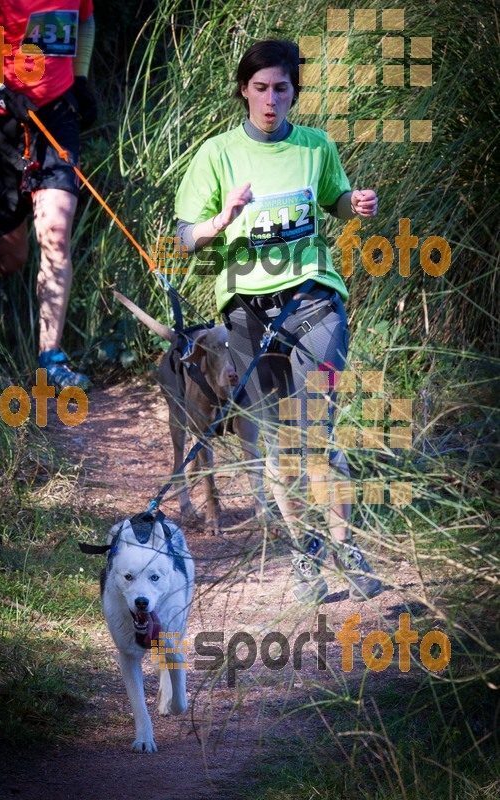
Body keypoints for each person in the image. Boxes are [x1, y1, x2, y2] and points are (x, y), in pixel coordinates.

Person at [175, 39, 382, 603]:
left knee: (318, 429)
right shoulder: (216, 153)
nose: (271, 100)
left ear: (294, 91)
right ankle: (305, 559)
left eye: (281, 89)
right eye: (261, 88)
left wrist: (356, 205)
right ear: (244, 89)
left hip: (315, 301)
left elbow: (337, 200)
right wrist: (222, 219)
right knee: (280, 444)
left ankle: (346, 547)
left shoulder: (316, 147)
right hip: (247, 313)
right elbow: (187, 236)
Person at [0, 1, 97, 392]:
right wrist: (2, 94)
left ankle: (50, 363)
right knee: (5, 254)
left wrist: (81, 80)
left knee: (57, 233)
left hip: (54, 116)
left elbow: (86, 21)